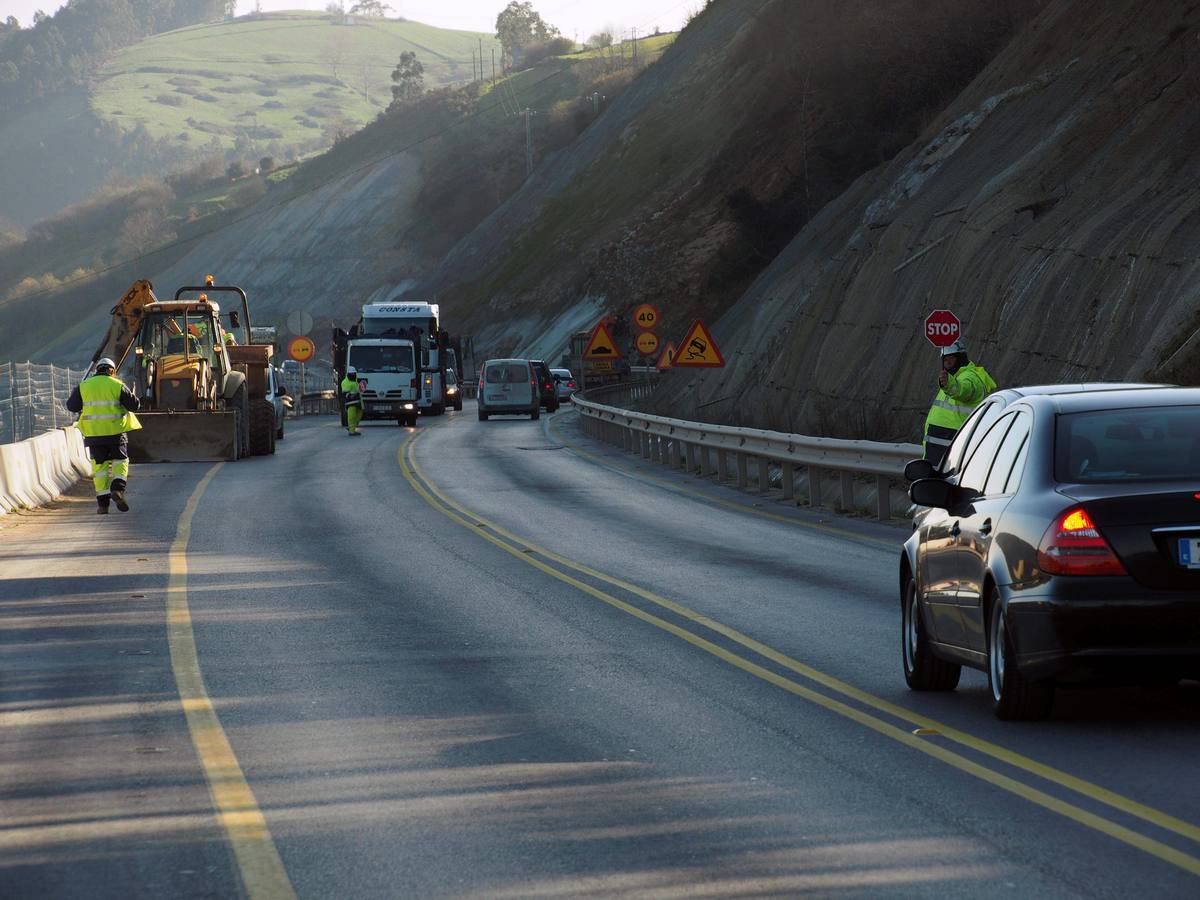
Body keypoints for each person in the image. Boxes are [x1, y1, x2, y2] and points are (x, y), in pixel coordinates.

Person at [66, 358, 142, 514]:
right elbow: (135, 405)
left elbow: (71, 406)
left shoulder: (84, 386)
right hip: (115, 433)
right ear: (112, 371)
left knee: (99, 469)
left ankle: (102, 505)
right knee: (120, 461)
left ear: (97, 370)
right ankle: (117, 489)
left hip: (93, 435)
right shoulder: (117, 385)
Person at [922, 340, 996, 468]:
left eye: (951, 359)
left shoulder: (970, 377)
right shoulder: (953, 376)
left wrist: (950, 384)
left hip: (953, 446)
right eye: (945, 360)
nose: (948, 363)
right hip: (940, 447)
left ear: (961, 358)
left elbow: (965, 390)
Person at [341, 368, 363, 436]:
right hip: (350, 402)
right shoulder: (345, 382)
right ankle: (352, 431)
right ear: (348, 374)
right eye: (352, 373)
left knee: (359, 415)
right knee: (352, 416)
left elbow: (357, 389)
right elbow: (345, 393)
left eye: (354, 373)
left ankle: (351, 427)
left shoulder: (355, 380)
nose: (353, 375)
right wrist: (351, 395)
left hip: (357, 402)